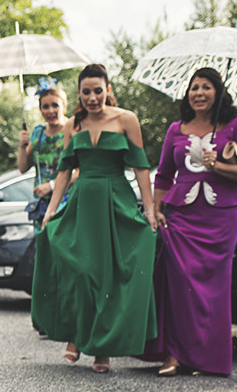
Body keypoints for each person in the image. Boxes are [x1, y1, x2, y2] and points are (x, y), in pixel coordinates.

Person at [31, 64, 158, 374]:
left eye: (97, 90)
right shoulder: (73, 125)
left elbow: (141, 168)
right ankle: (75, 334)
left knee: (110, 275)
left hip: (116, 200)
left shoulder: (126, 119)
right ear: (79, 93)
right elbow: (64, 171)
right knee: (80, 269)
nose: (92, 97)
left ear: (108, 89)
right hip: (83, 202)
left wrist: (150, 209)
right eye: (86, 91)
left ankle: (102, 350)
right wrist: (51, 210)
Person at [145, 68, 237, 376]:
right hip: (181, 216)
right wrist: (156, 208)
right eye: (194, 87)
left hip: (221, 217)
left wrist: (219, 165)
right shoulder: (176, 128)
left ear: (218, 92)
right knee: (178, 283)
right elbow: (164, 175)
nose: (199, 92)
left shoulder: (236, 126)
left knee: (212, 288)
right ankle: (172, 355)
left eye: (206, 87)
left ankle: (205, 359)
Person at [17, 79, 73, 234]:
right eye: (45, 106)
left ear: (64, 106)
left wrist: (52, 186)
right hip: (41, 204)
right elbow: (22, 168)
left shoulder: (73, 129)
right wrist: (22, 146)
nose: (50, 111)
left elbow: (80, 170)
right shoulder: (38, 132)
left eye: (55, 105)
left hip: (67, 201)